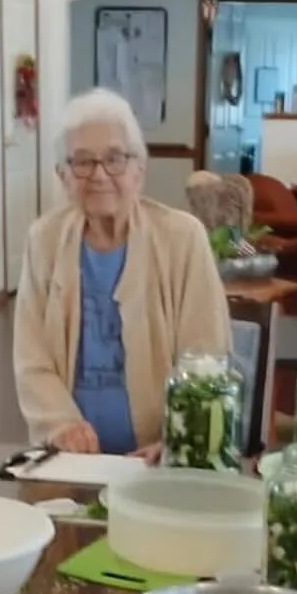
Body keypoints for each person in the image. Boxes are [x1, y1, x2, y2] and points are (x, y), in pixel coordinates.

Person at [13, 89, 232, 456]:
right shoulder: (44, 240)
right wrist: (62, 426)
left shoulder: (183, 238)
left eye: (114, 158)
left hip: (161, 460)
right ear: (63, 175)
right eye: (82, 162)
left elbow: (207, 357)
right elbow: (31, 361)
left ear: (139, 170)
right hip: (70, 459)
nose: (99, 175)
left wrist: (178, 442)